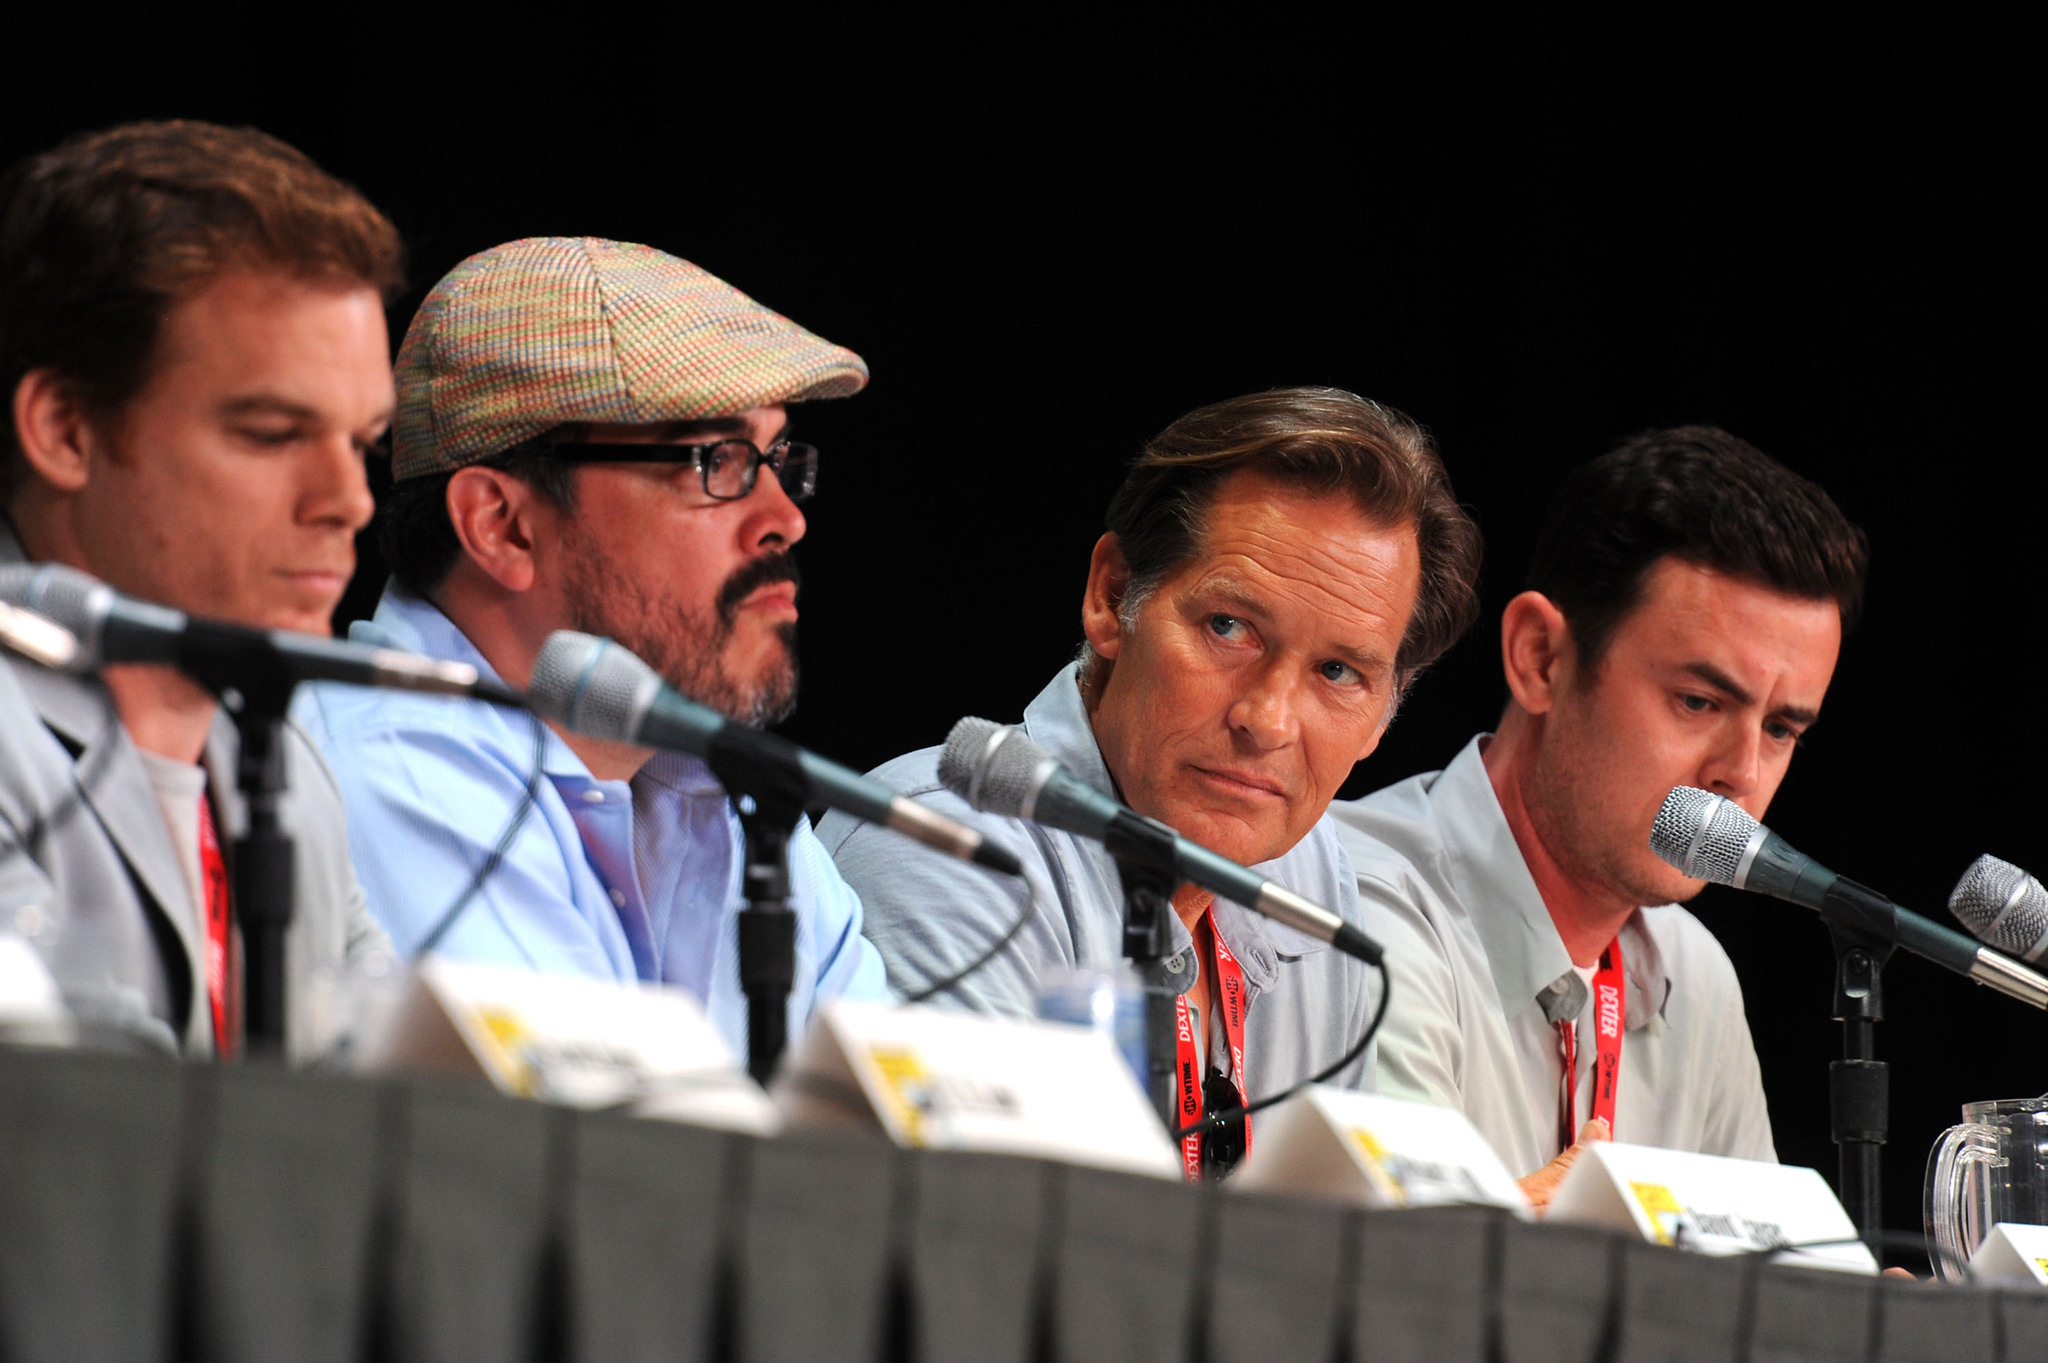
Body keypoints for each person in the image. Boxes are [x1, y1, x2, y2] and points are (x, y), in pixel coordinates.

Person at [823, 387, 1483, 1177]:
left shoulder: (1317, 877)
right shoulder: (944, 845)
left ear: (1384, 716)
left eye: (1339, 671)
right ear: (1111, 599)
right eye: (1228, 627)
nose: (1267, 719)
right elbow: (980, 1248)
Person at [293, 237, 889, 1059]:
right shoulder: (384, 772)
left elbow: (900, 1152)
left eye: (779, 456)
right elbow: (609, 1164)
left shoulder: (740, 803)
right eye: (716, 460)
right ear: (502, 526)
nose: (784, 515)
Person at [1329, 426, 1867, 1205]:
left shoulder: (1697, 975)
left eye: (1782, 728)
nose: (1742, 772)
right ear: (1540, 656)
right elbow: (1410, 1281)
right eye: (1698, 700)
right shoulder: (1362, 898)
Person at [0, 121, 399, 1056]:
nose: (347, 501)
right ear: (64, 429)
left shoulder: (286, 763)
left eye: (362, 442)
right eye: (270, 433)